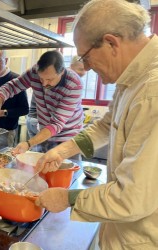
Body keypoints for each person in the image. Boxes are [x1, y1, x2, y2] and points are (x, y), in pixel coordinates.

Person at [34, 0, 158, 249]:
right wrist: (61, 150)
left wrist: (67, 198)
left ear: (112, 42)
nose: (86, 67)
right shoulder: (133, 79)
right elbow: (106, 125)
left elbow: (132, 198)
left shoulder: (151, 92)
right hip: (122, 231)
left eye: (86, 57)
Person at [0, 50, 83, 158]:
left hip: (67, 141)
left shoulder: (74, 84)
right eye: (41, 79)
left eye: (49, 79)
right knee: (39, 172)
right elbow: (12, 86)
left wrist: (28, 143)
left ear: (61, 72)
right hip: (44, 136)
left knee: (67, 174)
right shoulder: (34, 72)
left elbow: (56, 124)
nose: (44, 84)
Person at [27, 56, 85, 152]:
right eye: (80, 69)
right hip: (46, 128)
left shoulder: (72, 83)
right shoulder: (53, 81)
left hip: (54, 131)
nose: (83, 72)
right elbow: (56, 122)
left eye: (84, 69)